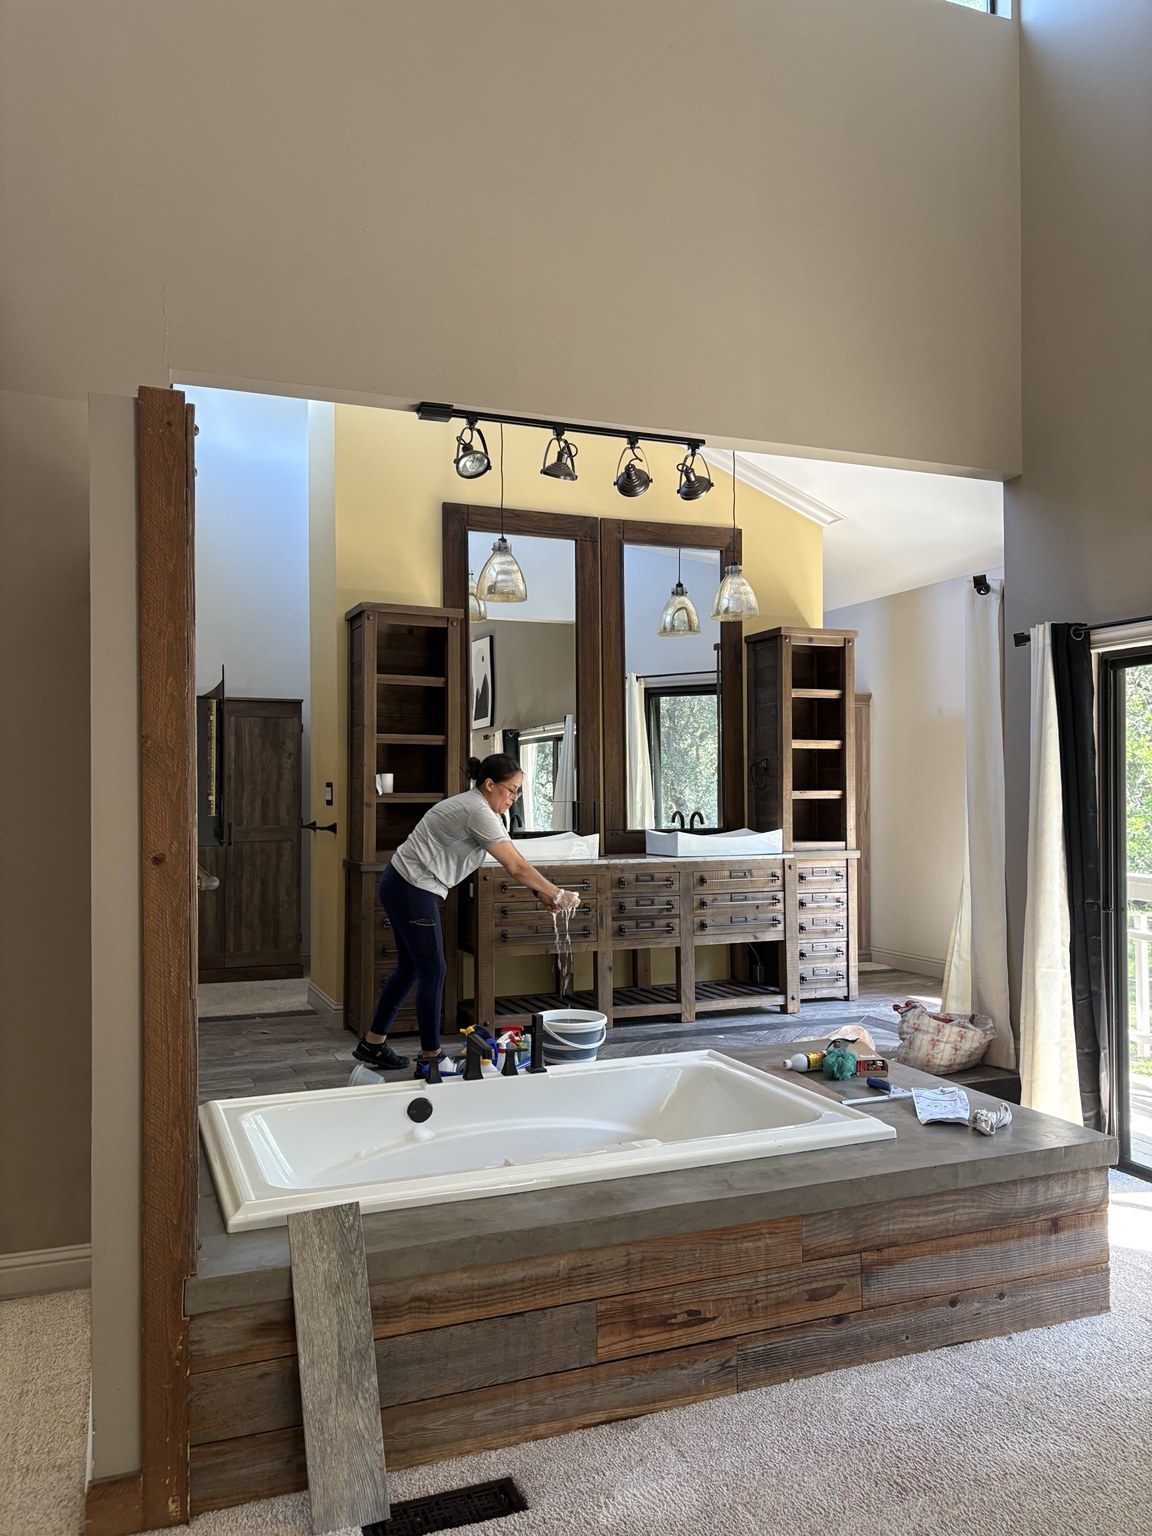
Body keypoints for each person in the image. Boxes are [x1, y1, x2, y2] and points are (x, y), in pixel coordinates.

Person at [353, 753, 578, 1078]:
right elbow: (517, 867)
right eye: (511, 790)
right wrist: (556, 893)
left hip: (402, 883)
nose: (514, 799)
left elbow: (510, 859)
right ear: (489, 784)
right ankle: (430, 1058)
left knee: (411, 969)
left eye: (518, 792)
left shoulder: (484, 811)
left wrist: (539, 893)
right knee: (433, 970)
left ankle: (373, 1043)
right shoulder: (477, 811)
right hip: (412, 887)